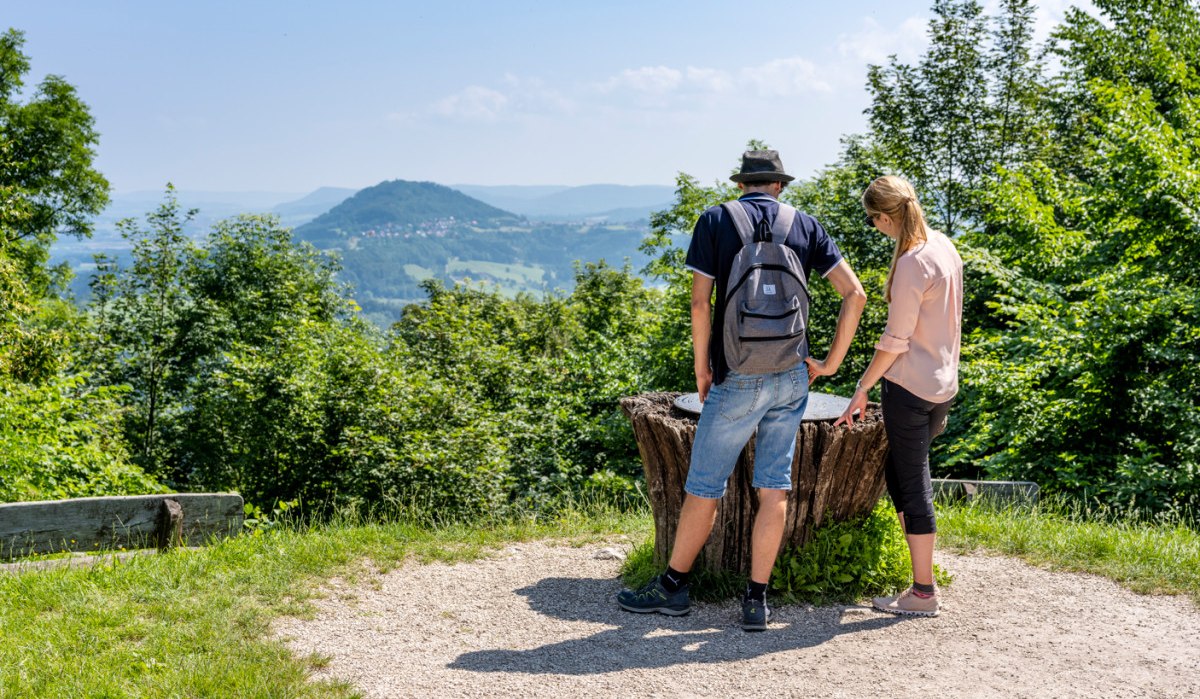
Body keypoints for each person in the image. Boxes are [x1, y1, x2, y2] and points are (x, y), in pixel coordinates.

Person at [617, 150, 866, 631]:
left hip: (736, 376)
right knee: (774, 488)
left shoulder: (715, 220)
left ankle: (672, 588)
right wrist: (831, 364)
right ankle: (756, 601)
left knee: (704, 487)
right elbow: (854, 294)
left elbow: (699, 302)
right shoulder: (805, 224)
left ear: (743, 184)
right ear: (778, 185)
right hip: (792, 374)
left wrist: (703, 370)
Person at [834, 175, 963, 617]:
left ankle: (923, 592)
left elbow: (895, 340)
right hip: (942, 383)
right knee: (900, 472)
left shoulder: (911, 263)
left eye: (873, 220)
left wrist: (862, 388)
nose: (875, 227)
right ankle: (918, 577)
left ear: (886, 216)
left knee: (912, 482)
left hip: (909, 387)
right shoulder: (943, 245)